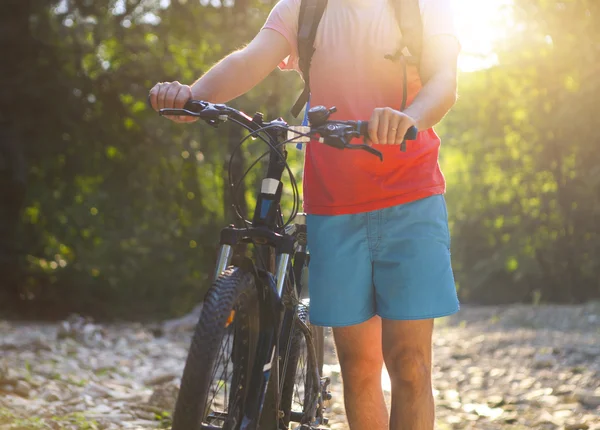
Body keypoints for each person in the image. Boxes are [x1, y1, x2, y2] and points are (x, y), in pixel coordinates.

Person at [149, 0, 461, 428]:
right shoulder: (304, 7)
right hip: (333, 205)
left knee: (409, 363)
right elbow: (249, 59)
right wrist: (192, 96)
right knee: (358, 367)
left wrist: (408, 118)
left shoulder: (423, 6)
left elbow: (444, 82)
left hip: (410, 197)